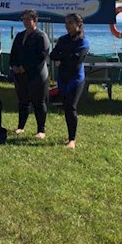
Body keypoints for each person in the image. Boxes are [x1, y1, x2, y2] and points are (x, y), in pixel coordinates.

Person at [49, 13, 90, 149]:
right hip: (63, 78)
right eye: (66, 23)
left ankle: (72, 139)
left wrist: (63, 56)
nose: (67, 26)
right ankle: (69, 136)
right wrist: (67, 55)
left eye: (70, 23)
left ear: (78, 24)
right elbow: (53, 55)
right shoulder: (63, 39)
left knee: (71, 107)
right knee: (66, 107)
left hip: (76, 78)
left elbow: (77, 60)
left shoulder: (83, 41)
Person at [10, 9, 50, 139]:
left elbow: (41, 56)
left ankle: (41, 130)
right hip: (20, 74)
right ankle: (21, 127)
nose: (26, 22)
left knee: (38, 102)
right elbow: (13, 53)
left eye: (28, 19)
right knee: (23, 101)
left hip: (37, 75)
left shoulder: (41, 36)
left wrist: (25, 67)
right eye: (24, 19)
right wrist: (14, 66)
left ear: (35, 20)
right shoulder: (20, 35)